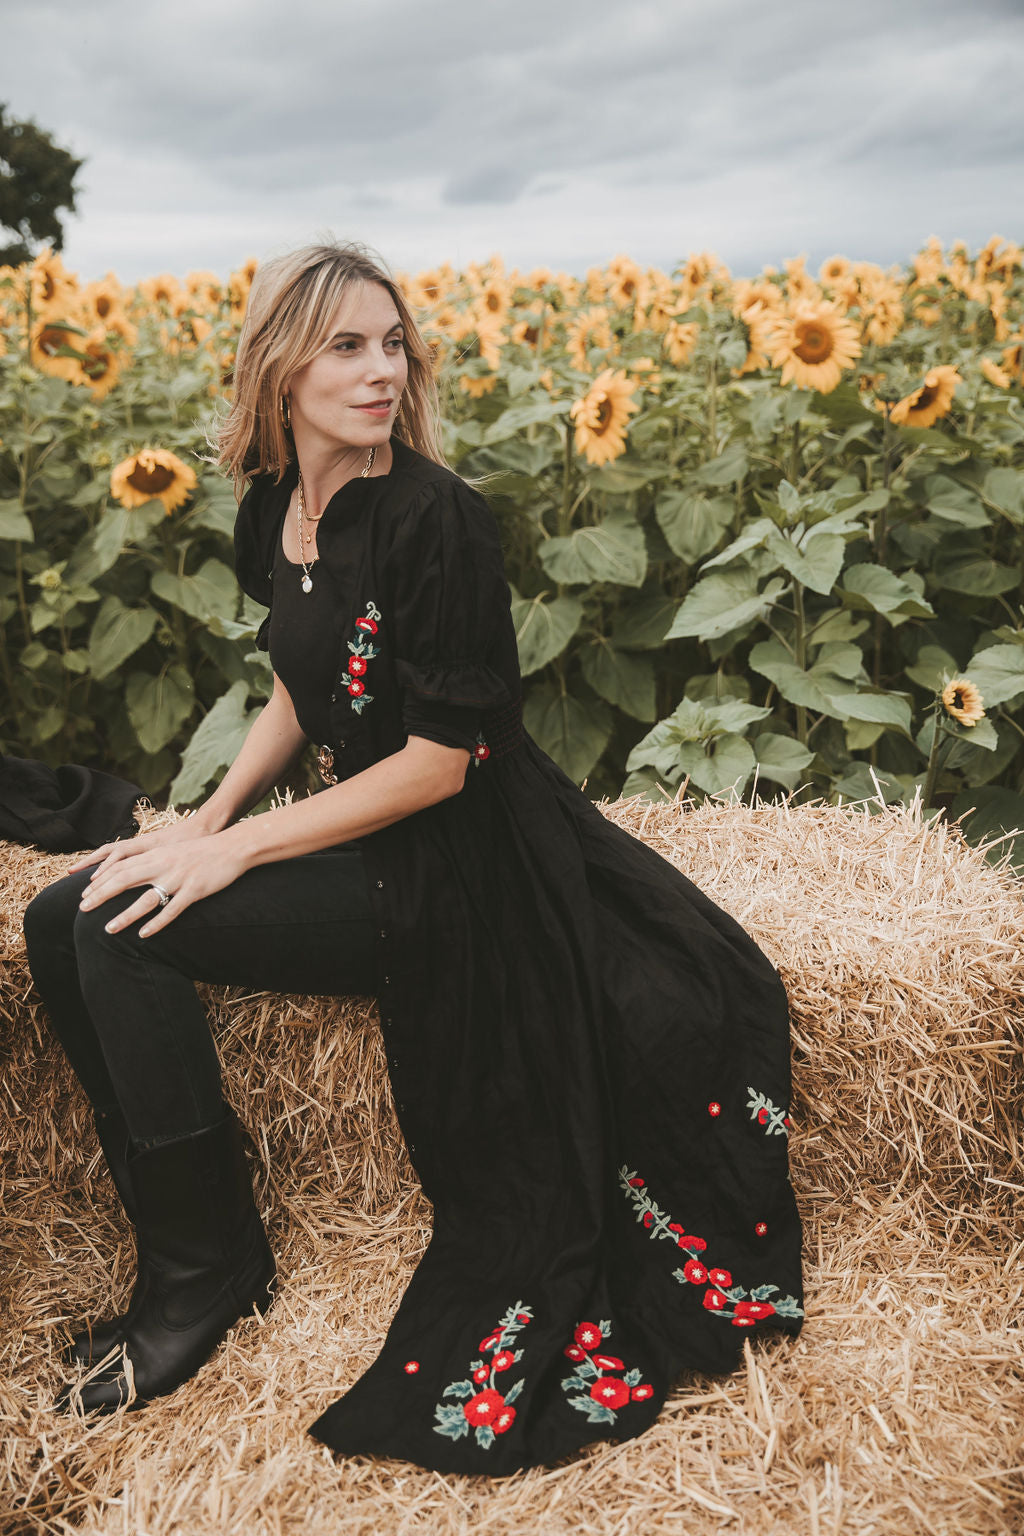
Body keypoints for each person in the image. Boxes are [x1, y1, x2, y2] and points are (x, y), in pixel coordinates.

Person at [21, 239, 804, 1475]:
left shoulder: (442, 521)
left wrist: (241, 855)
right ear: (279, 363)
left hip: (464, 865)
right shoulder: (273, 506)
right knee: (58, 917)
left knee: (124, 933)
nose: (380, 369)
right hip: (367, 829)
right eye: (346, 345)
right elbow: (299, 675)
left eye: (391, 344)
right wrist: (206, 820)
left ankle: (195, 1284)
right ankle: (203, 1235)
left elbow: (443, 762)